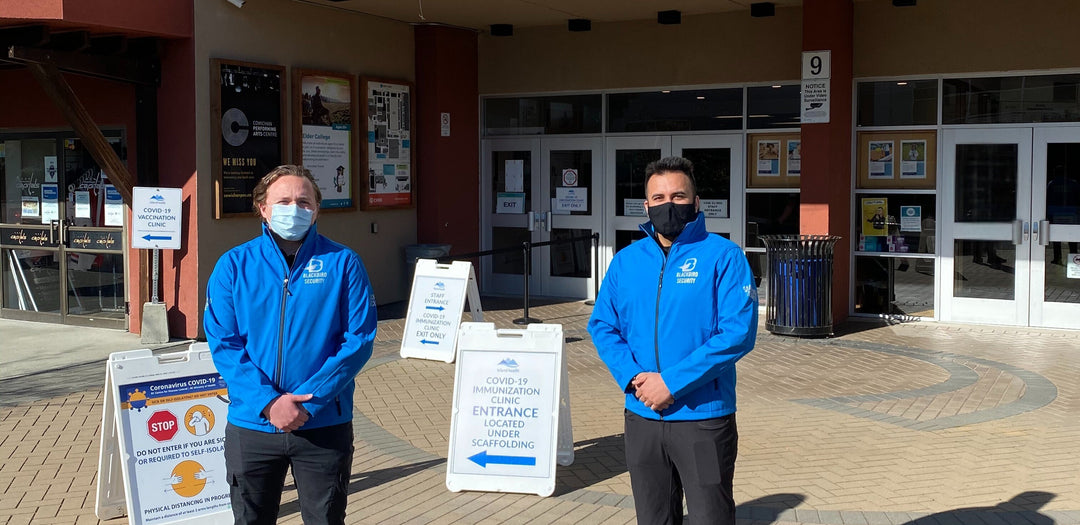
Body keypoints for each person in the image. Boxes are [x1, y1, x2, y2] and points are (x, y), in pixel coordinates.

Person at [588, 156, 758, 524]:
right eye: (659, 197)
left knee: (710, 517)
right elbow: (602, 325)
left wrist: (672, 383)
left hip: (703, 420)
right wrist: (635, 378)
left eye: (678, 196)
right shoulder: (626, 261)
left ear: (696, 203)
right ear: (646, 206)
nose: (669, 205)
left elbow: (738, 334)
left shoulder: (724, 257)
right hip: (643, 416)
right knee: (653, 517)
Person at [204, 165, 377, 525]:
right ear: (263, 208)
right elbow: (223, 342)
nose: (294, 209)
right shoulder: (233, 266)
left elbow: (359, 340)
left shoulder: (343, 263)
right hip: (253, 425)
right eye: (283, 201)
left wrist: (307, 403)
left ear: (316, 210)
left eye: (303, 201)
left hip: (323, 424)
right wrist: (269, 402)